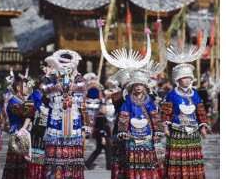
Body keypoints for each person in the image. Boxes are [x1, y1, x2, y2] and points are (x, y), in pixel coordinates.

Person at [97, 19, 166, 179]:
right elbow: (118, 103)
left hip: (145, 133)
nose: (136, 86)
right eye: (132, 83)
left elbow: (155, 110)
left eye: (138, 83)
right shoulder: (121, 97)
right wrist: (126, 86)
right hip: (124, 133)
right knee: (123, 165)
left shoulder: (148, 97)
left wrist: (158, 129)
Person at [162, 30, 209, 179]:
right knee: (177, 158)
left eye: (189, 78)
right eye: (184, 78)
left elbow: (201, 111)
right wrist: (165, 126)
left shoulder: (195, 93)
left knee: (193, 158)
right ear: (178, 80)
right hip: (177, 131)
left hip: (192, 131)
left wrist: (203, 126)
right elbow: (166, 113)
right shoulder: (172, 94)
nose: (187, 81)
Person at [42, 50, 91, 179]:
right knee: (54, 152)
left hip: (73, 120)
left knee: (73, 155)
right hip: (56, 120)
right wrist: (56, 87)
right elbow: (43, 93)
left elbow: (82, 102)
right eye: (62, 64)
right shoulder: (50, 78)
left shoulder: (79, 79)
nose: (65, 67)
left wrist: (86, 125)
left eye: (67, 64)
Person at [2, 74, 35, 179]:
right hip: (16, 133)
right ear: (18, 87)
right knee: (17, 161)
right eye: (25, 86)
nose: (27, 88)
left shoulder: (21, 100)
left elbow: (29, 114)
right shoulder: (13, 101)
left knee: (22, 162)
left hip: (22, 132)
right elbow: (26, 114)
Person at [85, 102, 112, 170]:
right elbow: (102, 128)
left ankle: (88, 163)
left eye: (106, 108)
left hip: (99, 137)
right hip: (103, 137)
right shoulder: (101, 117)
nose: (106, 110)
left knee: (98, 150)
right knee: (108, 151)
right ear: (101, 109)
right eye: (104, 108)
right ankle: (109, 166)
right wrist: (103, 138)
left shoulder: (99, 116)